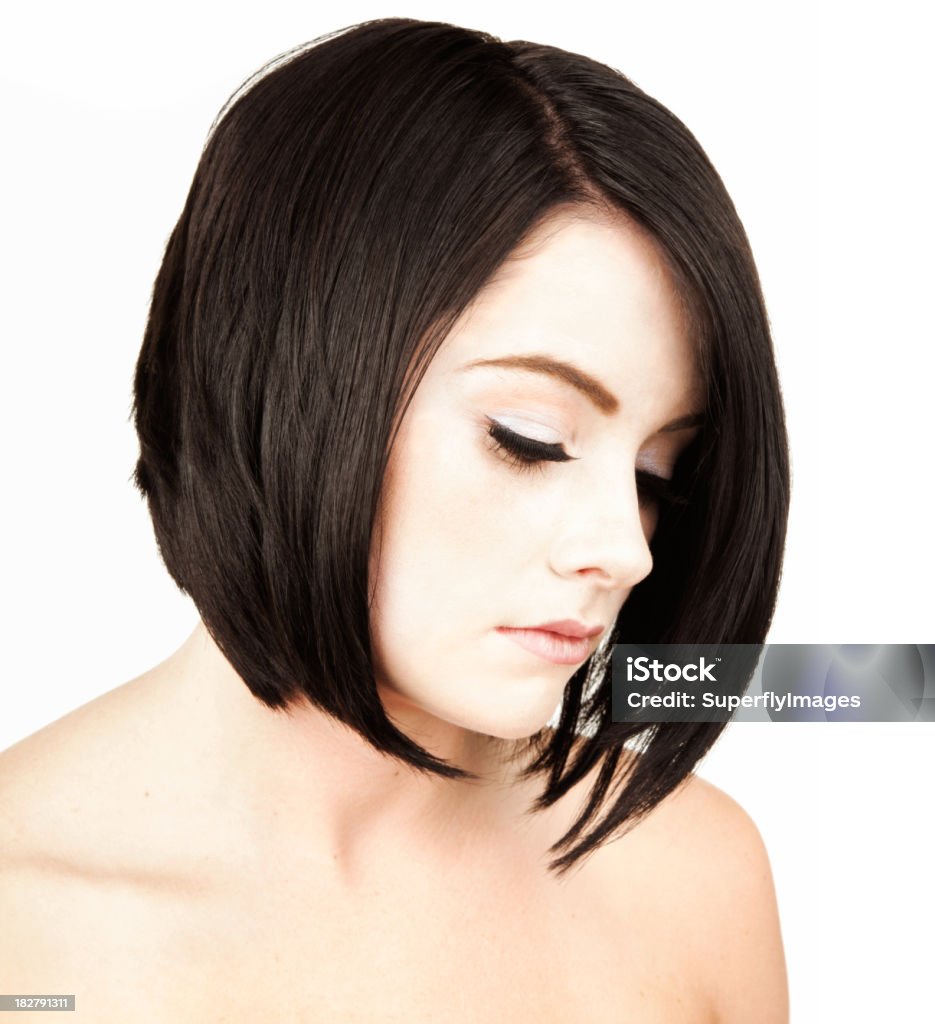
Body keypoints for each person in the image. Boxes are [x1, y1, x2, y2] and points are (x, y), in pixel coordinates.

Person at [0, 17, 790, 1021]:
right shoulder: (25, 923)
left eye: (655, 475)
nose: (623, 549)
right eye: (530, 438)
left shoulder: (684, 879)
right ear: (292, 378)